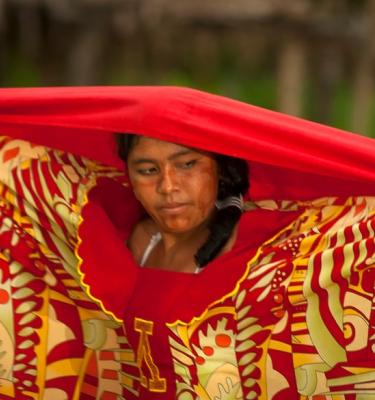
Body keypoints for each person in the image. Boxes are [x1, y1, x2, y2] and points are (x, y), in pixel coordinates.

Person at [0, 86, 375, 399]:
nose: (167, 186)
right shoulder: (109, 236)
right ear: (127, 174)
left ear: (221, 168)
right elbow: (17, 175)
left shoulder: (275, 252)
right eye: (147, 170)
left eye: (187, 165)